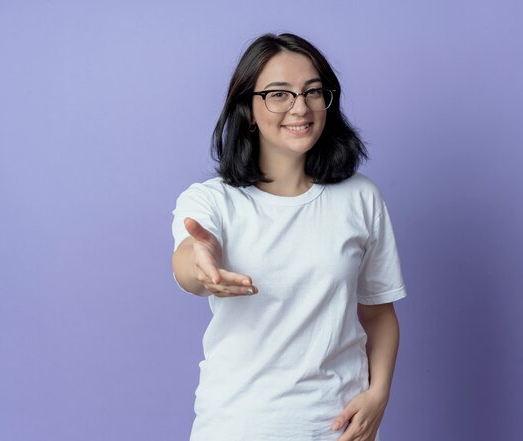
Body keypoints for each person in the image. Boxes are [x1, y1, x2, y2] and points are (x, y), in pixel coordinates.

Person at [171, 32, 407, 441]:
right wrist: (201, 263)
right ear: (248, 109)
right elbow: (189, 262)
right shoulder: (211, 201)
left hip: (338, 429)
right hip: (237, 426)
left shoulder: (360, 197)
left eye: (313, 91)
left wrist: (379, 394)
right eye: (279, 94)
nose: (301, 107)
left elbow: (379, 313)